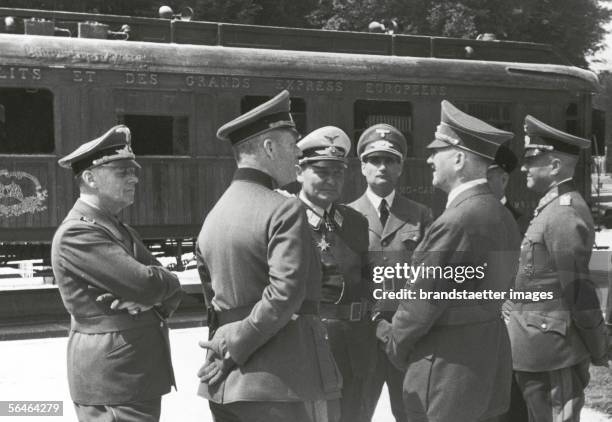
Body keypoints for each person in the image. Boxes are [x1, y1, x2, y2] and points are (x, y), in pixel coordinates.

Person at [196, 91, 342, 422]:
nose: (297, 153)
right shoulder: (284, 208)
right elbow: (284, 295)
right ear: (269, 148)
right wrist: (236, 347)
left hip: (223, 384)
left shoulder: (215, 215)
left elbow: (213, 304)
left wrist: (225, 352)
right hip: (279, 382)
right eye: (293, 144)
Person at [376, 100, 521, 422]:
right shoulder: (501, 214)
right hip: (486, 362)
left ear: (458, 159)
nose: (429, 159)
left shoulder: (455, 221)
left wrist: (394, 345)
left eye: (436, 151)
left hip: (445, 371)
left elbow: (420, 303)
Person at [51, 125, 183, 422]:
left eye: (133, 171)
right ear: (90, 178)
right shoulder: (78, 233)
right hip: (113, 380)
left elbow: (167, 285)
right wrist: (156, 290)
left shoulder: (117, 228)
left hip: (132, 375)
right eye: (123, 172)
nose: (134, 178)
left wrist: (161, 288)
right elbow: (147, 284)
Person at [505, 115, 609, 422]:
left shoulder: (564, 213)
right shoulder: (550, 209)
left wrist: (598, 344)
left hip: (553, 351)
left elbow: (577, 290)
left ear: (554, 167)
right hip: (536, 348)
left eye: (531, 159)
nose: (523, 167)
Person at [348, 123, 432, 422]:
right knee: (354, 414)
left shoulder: (420, 215)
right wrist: (375, 322)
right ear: (362, 167)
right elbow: (346, 283)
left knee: (412, 414)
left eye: (390, 160)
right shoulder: (346, 216)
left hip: (406, 338)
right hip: (362, 338)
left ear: (400, 168)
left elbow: (427, 280)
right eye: (375, 160)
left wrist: (401, 326)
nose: (382, 166)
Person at [295, 126, 374, 422]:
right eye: (322, 171)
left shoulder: (354, 222)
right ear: (300, 171)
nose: (331, 180)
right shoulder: (285, 219)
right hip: (314, 346)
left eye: (338, 172)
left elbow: (367, 281)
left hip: (357, 346)